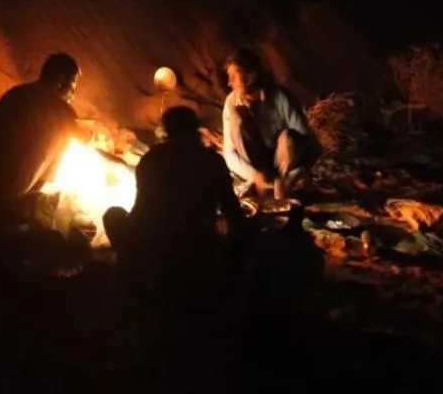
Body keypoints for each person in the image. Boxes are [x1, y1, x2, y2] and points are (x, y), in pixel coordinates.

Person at [103, 106, 247, 292]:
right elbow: (232, 210)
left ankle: (132, 266)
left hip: (152, 246)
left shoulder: (151, 158)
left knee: (113, 215)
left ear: (166, 130)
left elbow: (141, 208)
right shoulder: (212, 160)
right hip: (196, 248)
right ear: (195, 128)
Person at [0, 52, 80, 219]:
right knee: (63, 136)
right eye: (73, 86)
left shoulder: (17, 93)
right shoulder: (59, 111)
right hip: (0, 195)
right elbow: (81, 137)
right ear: (60, 81)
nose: (73, 95)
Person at [221, 47, 321, 200]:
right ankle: (266, 186)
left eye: (235, 76)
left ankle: (283, 185)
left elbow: (308, 142)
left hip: (282, 165)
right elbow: (229, 153)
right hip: (256, 166)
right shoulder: (232, 102)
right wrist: (254, 175)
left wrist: (296, 169)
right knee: (237, 117)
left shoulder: (281, 98)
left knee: (288, 136)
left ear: (251, 75)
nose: (230, 82)